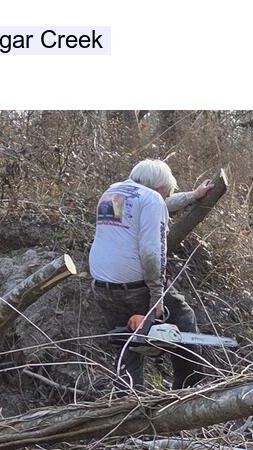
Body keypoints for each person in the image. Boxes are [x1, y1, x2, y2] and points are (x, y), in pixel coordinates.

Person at [87, 158, 218, 390]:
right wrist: (156, 296)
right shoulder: (152, 199)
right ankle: (186, 390)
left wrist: (192, 195)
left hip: (102, 286)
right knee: (183, 320)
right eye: (164, 192)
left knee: (127, 346)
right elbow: (151, 252)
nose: (164, 196)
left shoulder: (114, 192)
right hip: (136, 287)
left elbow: (160, 204)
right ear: (158, 187)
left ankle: (129, 405)